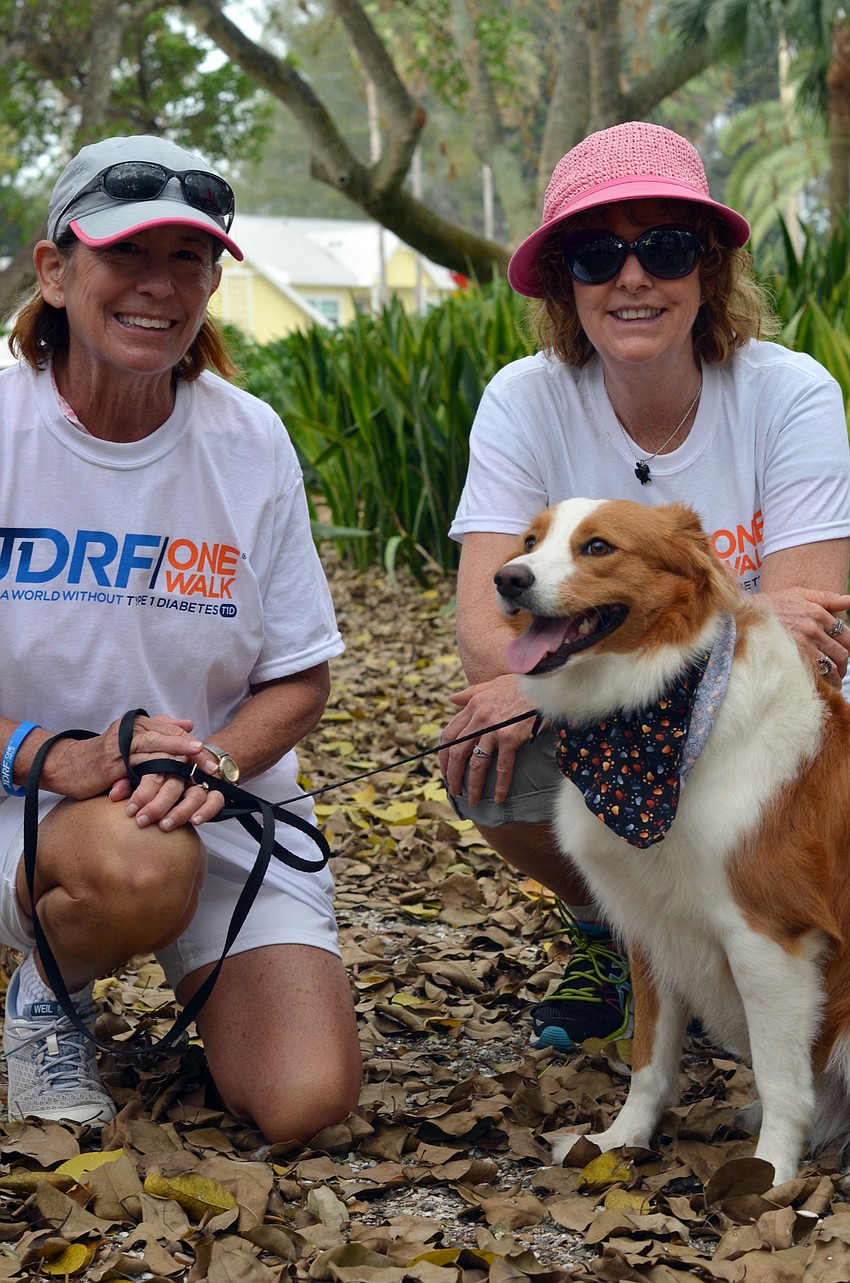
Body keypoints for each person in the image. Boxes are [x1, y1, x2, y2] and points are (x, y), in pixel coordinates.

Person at [440, 120, 850, 1053]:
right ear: (562, 284)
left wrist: (728, 628)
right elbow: (484, 623)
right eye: (596, 253)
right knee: (485, 747)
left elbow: (812, 635)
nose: (631, 278)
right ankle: (621, 930)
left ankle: (775, 932)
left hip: (766, 715)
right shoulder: (524, 397)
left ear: (706, 269)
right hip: (619, 690)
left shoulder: (790, 393)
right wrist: (742, 613)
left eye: (663, 247)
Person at [0, 134, 363, 1138]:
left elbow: (297, 679)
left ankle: (104, 941)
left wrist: (212, 759)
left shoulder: (248, 438)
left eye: (188, 260)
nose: (159, 286)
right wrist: (57, 756)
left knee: (306, 1101)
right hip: (28, 802)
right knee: (137, 865)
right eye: (129, 254)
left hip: (206, 802)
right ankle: (51, 992)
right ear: (56, 270)